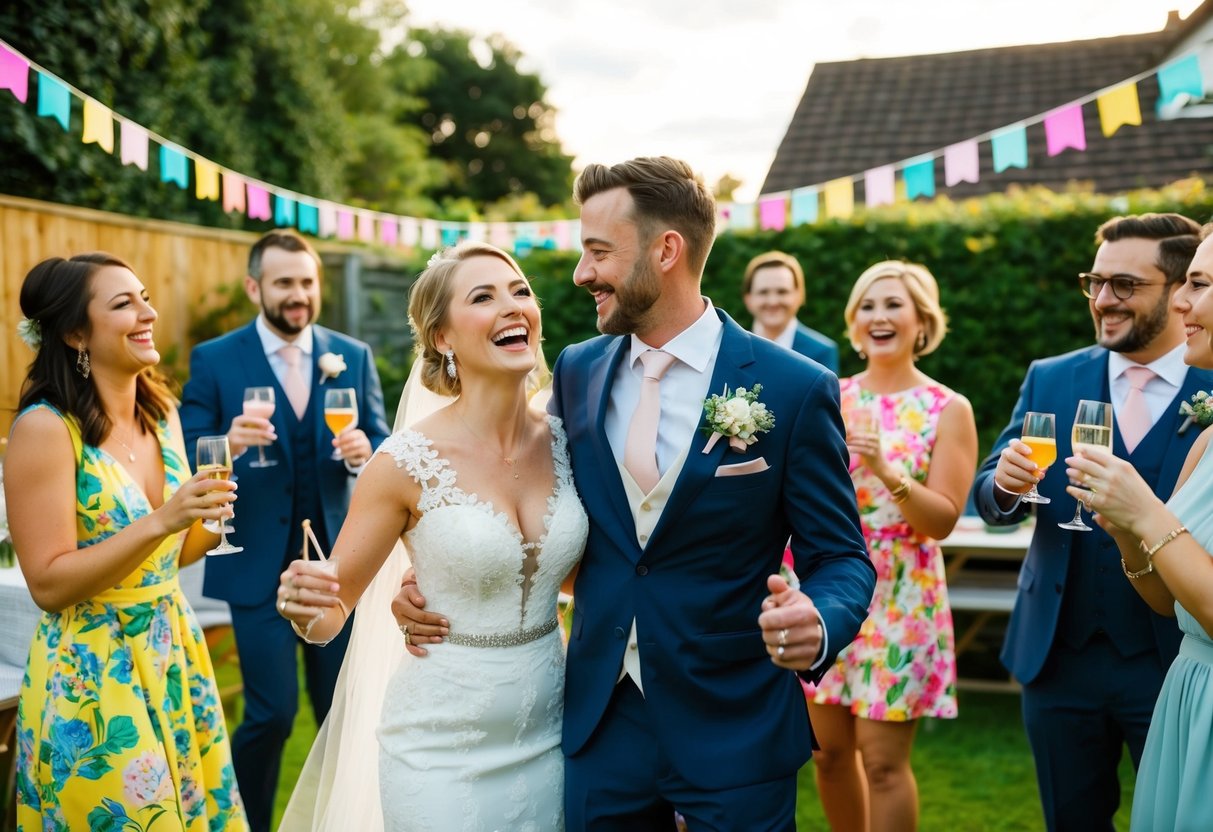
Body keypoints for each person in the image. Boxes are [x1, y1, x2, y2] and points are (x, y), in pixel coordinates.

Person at [398, 156, 876, 830]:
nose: (580, 274)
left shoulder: (792, 389)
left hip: (733, 721)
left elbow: (842, 556)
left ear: (665, 250)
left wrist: (820, 620)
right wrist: (441, 578)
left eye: (597, 252)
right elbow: (517, 496)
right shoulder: (578, 371)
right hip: (601, 722)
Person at [275, 240, 588, 829]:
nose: (512, 306)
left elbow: (578, 569)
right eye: (483, 297)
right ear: (443, 338)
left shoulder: (573, 441)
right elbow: (330, 613)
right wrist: (304, 603)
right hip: (440, 751)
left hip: (554, 731)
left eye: (521, 291)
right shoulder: (403, 463)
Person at [971, 213, 1213, 831]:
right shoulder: (1051, 376)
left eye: (1125, 285)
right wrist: (1004, 485)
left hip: (1170, 659)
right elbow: (990, 490)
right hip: (1057, 656)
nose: (1104, 300)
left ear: (1176, 286)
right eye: (1095, 282)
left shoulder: (1209, 374)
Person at [5, 253, 247, 830]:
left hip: (172, 652)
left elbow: (169, 558)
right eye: (124, 303)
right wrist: (164, 519)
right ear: (73, 332)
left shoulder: (162, 413)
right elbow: (47, 583)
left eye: (144, 296)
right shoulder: (46, 429)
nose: (148, 312)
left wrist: (208, 521)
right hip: (92, 669)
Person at [178, 229, 391, 832]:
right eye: (284, 284)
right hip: (253, 563)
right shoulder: (216, 359)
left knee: (339, 714)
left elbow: (382, 444)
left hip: (337, 566)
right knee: (271, 714)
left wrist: (362, 451)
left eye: (306, 282)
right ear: (255, 288)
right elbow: (186, 445)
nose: (298, 295)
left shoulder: (351, 354)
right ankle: (245, 824)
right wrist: (231, 443)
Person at [807, 260, 977, 832]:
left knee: (882, 763)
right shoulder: (825, 395)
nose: (880, 316)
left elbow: (943, 521)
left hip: (902, 592)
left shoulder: (947, 409)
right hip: (827, 585)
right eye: (869, 306)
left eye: (894, 305)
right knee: (826, 755)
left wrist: (884, 467)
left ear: (921, 321)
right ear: (855, 323)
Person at [1063, 222, 1213, 832]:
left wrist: (1148, 510)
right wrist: (1127, 529)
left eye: (1199, 285)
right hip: (1189, 695)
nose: (1182, 301)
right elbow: (1161, 597)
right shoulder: (1208, 441)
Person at [742, 250, 839, 372]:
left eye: (782, 292)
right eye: (763, 292)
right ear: (748, 299)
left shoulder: (821, 352)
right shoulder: (733, 347)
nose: (773, 302)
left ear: (799, 296)